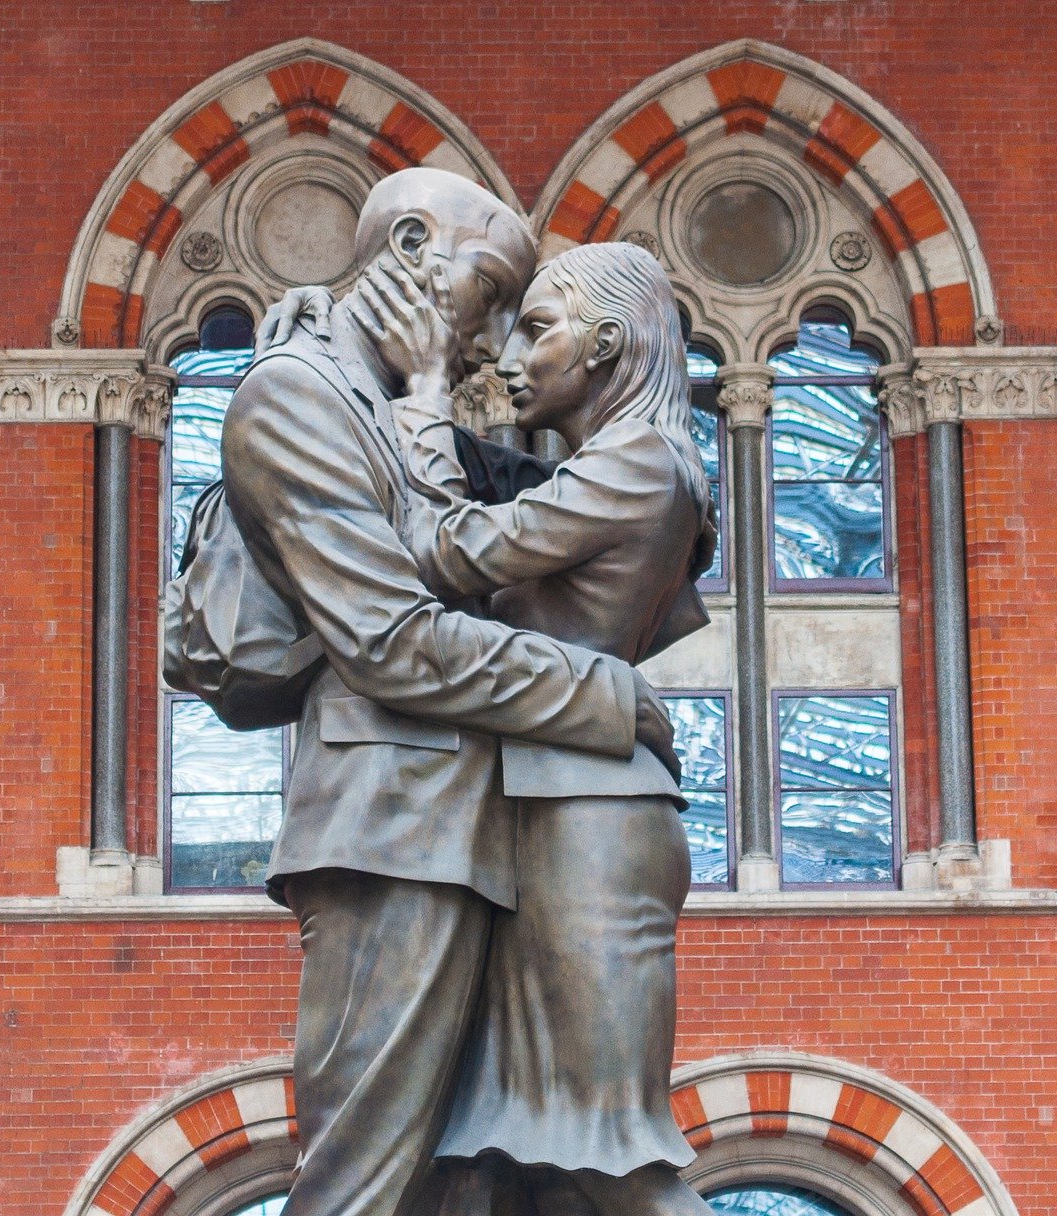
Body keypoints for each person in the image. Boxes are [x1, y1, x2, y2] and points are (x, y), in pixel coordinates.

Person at [217, 169, 680, 1216]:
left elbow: (542, 517)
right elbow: (391, 640)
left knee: (472, 1183)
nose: (492, 338)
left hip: (478, 827)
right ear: (416, 246)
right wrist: (604, 693)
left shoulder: (375, 401)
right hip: (393, 830)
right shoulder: (298, 394)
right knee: (364, 1183)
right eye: (493, 290)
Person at [347, 241, 718, 1216]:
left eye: (539, 329)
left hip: (588, 820)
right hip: (529, 814)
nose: (511, 358)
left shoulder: (639, 459)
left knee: (606, 1152)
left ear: (604, 343)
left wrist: (425, 395)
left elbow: (440, 549)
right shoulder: (611, 469)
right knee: (483, 1161)